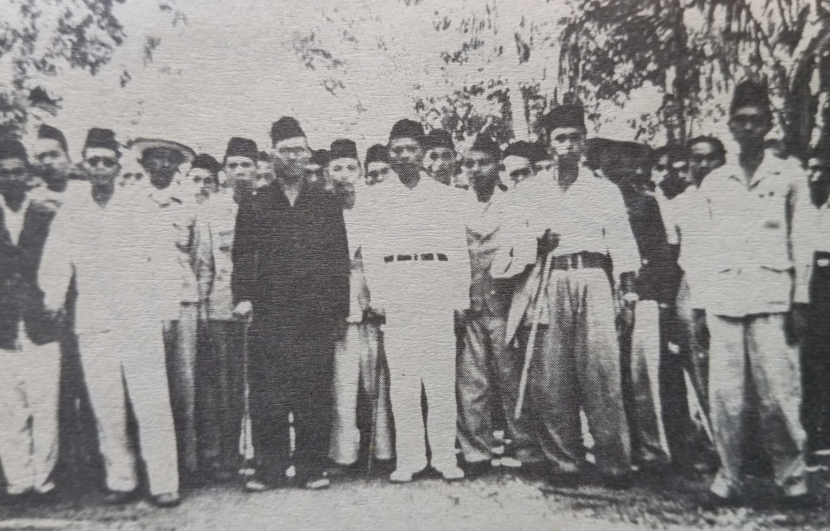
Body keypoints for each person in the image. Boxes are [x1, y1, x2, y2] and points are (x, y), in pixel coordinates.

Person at [682, 80, 815, 508]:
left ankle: (792, 480)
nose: (749, 128)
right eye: (741, 121)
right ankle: (730, 477)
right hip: (724, 299)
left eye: (757, 121)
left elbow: (803, 240)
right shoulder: (716, 182)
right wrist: (700, 305)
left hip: (773, 298)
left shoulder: (789, 175)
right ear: (731, 126)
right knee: (727, 399)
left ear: (769, 124)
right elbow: (699, 248)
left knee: (779, 396)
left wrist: (801, 300)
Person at [495, 104, 640, 488]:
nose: (569, 146)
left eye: (576, 137)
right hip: (549, 277)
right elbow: (511, 243)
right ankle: (565, 461)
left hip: (592, 278)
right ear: (549, 143)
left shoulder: (603, 189)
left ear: (585, 142)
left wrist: (626, 295)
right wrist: (536, 244)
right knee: (551, 374)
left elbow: (623, 244)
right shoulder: (529, 191)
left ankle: (614, 463)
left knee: (602, 372)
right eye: (561, 138)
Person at [40, 128, 181, 508]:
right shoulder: (72, 210)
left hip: (140, 316)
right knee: (106, 404)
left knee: (151, 402)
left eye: (107, 161)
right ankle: (121, 478)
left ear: (118, 166)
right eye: (93, 161)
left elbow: (164, 261)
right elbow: (56, 260)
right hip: (94, 320)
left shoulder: (141, 205)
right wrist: (53, 299)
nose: (100, 168)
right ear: (83, 165)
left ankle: (164, 482)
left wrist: (168, 312)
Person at [232, 117, 350, 491]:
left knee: (313, 390)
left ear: (309, 153)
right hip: (270, 311)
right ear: (273, 155)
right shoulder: (256, 202)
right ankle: (270, 468)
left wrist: (338, 310)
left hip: (314, 312)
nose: (294, 157)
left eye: (300, 150)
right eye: (286, 151)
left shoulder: (325, 202)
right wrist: (244, 297)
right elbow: (243, 254)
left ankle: (311, 467)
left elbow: (338, 258)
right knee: (269, 392)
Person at [353, 119, 470, 483]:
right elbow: (371, 251)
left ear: (422, 152)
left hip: (436, 285)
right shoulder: (373, 197)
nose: (404, 156)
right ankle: (410, 459)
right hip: (398, 285)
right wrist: (379, 295)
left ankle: (444, 458)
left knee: (439, 378)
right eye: (397, 150)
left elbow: (458, 250)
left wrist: (459, 296)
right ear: (390, 153)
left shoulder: (447, 197)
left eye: (411, 149)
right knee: (403, 380)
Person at [456, 135, 542, 477]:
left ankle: (527, 449)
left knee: (511, 378)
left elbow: (528, 250)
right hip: (469, 305)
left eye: (484, 163)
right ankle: (475, 452)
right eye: (470, 164)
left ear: (498, 167)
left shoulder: (517, 204)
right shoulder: (456, 205)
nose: (476, 170)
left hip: (506, 305)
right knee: (471, 381)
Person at [128, 138, 201, 483]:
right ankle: (147, 466)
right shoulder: (128, 202)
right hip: (144, 303)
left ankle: (186, 463)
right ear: (144, 165)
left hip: (183, 299)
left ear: (177, 166)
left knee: (184, 385)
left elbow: (201, 258)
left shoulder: (189, 204)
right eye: (155, 160)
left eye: (168, 160)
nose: (162, 166)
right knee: (146, 387)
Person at [0, 138, 62, 502]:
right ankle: (18, 480)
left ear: (28, 174)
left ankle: (43, 480)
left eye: (17, 171)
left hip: (42, 322)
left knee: (44, 407)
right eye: (2, 173)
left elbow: (60, 266)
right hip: (3, 325)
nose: (10, 178)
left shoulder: (46, 214)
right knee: (8, 410)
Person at [192, 138, 258, 482]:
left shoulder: (270, 204)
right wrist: (204, 308)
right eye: (233, 165)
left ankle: (258, 451)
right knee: (224, 385)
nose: (240, 172)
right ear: (224, 171)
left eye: (246, 164)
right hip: (221, 307)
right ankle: (225, 456)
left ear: (258, 167)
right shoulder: (210, 211)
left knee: (259, 382)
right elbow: (204, 265)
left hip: (263, 308)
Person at [327, 139, 394, 473]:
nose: (344, 175)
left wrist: (380, 297)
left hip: (374, 302)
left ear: (360, 172)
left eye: (350, 167)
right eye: (336, 168)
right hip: (340, 306)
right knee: (343, 384)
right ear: (328, 173)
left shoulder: (376, 209)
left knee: (377, 383)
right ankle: (343, 455)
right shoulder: (322, 210)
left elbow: (384, 258)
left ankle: (383, 452)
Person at [802, 146, 830, 455]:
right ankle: (814, 430)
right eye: (810, 168)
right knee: (811, 360)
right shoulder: (804, 207)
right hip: (810, 287)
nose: (814, 175)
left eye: (821, 169)